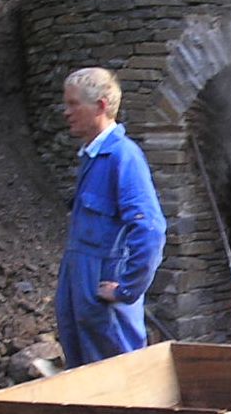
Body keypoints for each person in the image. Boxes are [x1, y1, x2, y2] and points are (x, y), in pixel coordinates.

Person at [56, 67, 166, 368]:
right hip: (82, 291)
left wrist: (128, 289)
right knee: (84, 383)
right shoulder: (93, 156)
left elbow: (150, 229)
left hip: (104, 299)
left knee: (120, 383)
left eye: (73, 104)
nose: (66, 112)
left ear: (101, 106)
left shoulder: (123, 157)